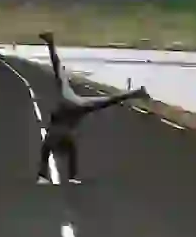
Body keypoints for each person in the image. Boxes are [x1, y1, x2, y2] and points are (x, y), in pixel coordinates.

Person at [36, 31, 148, 184]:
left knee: (47, 149)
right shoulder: (66, 97)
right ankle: (72, 177)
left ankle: (44, 176)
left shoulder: (58, 120)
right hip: (76, 105)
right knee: (105, 101)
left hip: (69, 109)